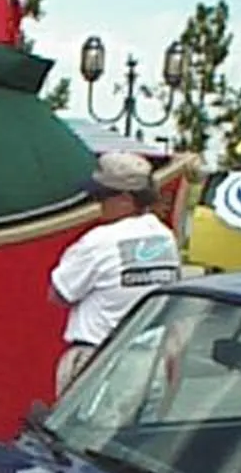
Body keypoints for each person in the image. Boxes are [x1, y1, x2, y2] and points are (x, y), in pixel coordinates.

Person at [49, 151, 181, 398]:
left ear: (125, 198)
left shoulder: (97, 241)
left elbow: (59, 294)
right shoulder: (165, 237)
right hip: (150, 360)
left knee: (82, 435)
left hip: (99, 361)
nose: (97, 203)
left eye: (102, 195)